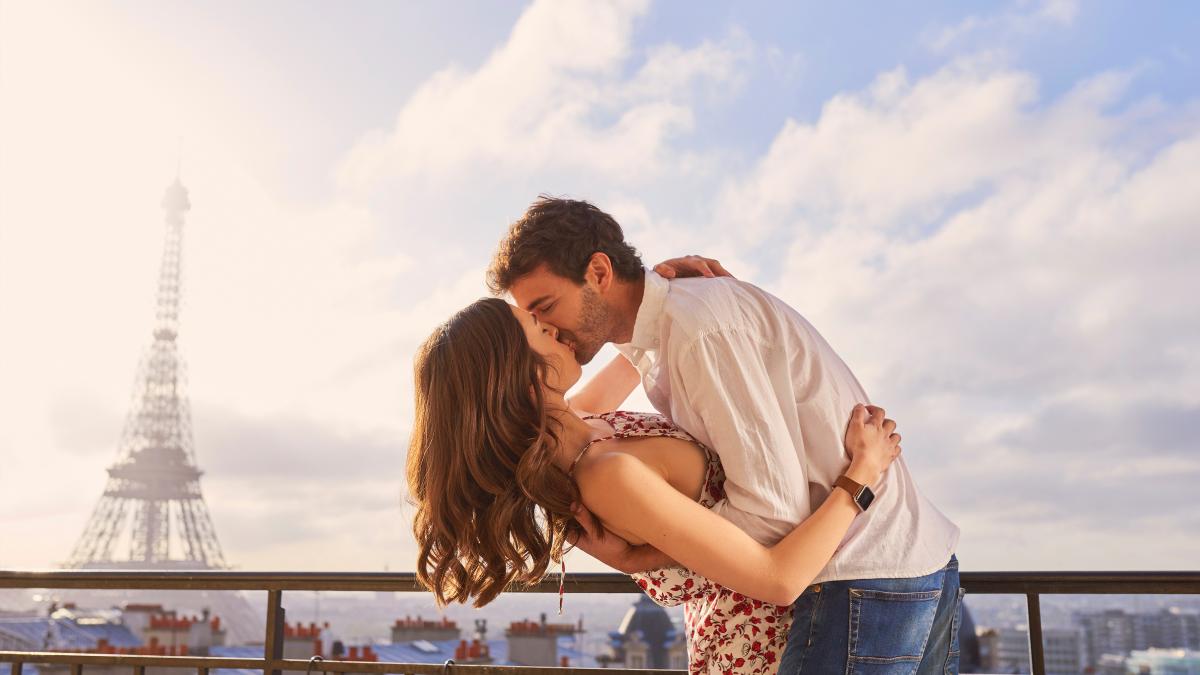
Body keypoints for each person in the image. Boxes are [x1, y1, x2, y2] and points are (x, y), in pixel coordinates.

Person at [486, 197, 963, 674]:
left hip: (861, 573)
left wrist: (642, 557)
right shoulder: (667, 341)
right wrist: (650, 300)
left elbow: (771, 518)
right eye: (537, 322)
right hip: (883, 563)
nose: (551, 329)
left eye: (546, 309)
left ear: (599, 272)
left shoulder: (697, 331)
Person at [407, 295, 902, 672]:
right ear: (518, 374)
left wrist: (674, 290)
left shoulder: (582, 421)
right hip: (767, 649)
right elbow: (778, 579)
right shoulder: (605, 473)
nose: (554, 326)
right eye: (538, 326)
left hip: (793, 630)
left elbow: (641, 342)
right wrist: (862, 474)